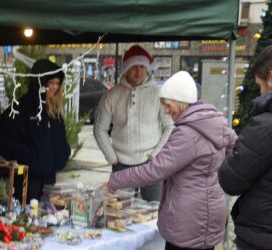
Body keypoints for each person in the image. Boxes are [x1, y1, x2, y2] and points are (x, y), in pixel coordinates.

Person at [103, 71, 237, 250]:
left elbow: (154, 171)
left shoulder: (187, 134)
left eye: (168, 105)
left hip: (187, 220)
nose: (165, 111)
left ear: (181, 102)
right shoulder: (217, 123)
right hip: (210, 213)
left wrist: (114, 180)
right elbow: (235, 153)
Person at [93, 45, 174, 201]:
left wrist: (155, 155)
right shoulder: (111, 95)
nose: (138, 71)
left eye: (142, 67)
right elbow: (99, 129)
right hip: (120, 164)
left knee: (153, 211)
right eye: (134, 67)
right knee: (121, 214)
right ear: (125, 69)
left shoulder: (159, 93)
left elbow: (170, 127)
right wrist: (112, 157)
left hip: (151, 164)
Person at [0, 59, 71, 202]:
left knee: (48, 219)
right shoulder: (20, 108)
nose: (54, 87)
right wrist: (29, 156)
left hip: (49, 179)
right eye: (50, 83)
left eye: (57, 83)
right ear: (40, 82)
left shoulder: (53, 111)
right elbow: (1, 140)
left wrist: (64, 153)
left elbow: (60, 139)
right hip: (27, 180)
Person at [218, 45, 272, 250]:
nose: (259, 93)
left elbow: (230, 180)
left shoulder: (266, 127)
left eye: (260, 86)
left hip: (261, 236)